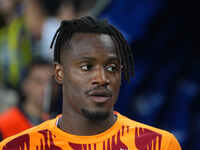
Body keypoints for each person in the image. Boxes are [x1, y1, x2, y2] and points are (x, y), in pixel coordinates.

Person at [0, 16, 181, 150]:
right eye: (87, 67)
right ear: (59, 73)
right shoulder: (18, 147)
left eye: (111, 68)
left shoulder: (158, 145)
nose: (102, 79)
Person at [0, 58, 52, 140]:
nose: (45, 88)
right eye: (38, 81)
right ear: (25, 84)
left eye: (50, 83)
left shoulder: (55, 123)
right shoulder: (5, 123)